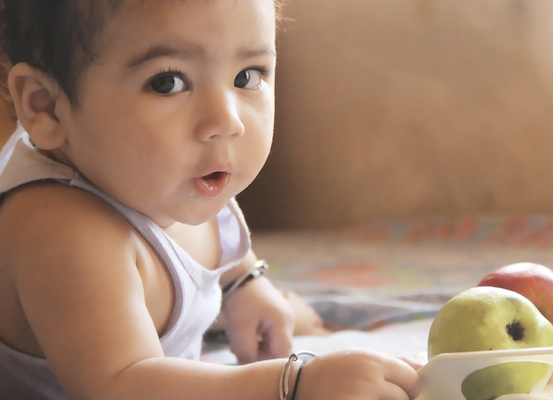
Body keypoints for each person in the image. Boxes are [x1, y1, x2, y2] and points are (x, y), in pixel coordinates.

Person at [0, 1, 422, 399]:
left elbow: (213, 222)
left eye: (248, 77)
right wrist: (294, 384)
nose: (227, 121)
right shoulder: (62, 232)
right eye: (168, 82)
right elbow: (122, 384)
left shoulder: (167, 178)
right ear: (47, 107)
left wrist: (245, 283)